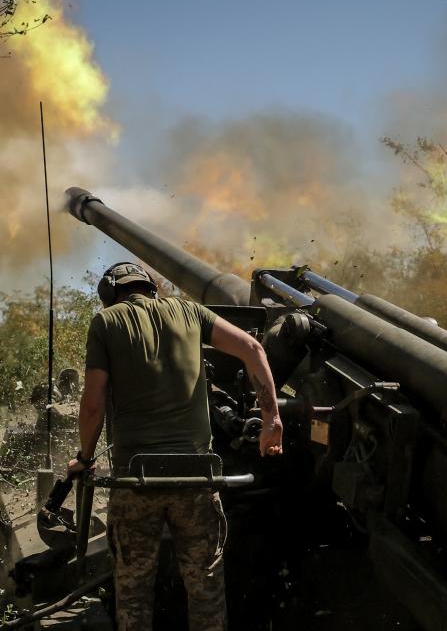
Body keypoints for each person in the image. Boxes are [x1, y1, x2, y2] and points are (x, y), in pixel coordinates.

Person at [67, 261, 284, 631]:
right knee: (206, 585)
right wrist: (272, 422)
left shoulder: (106, 322)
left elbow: (92, 405)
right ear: (153, 286)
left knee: (134, 588)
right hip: (198, 478)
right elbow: (252, 348)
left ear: (109, 292)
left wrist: (84, 459)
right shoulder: (191, 311)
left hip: (137, 480)